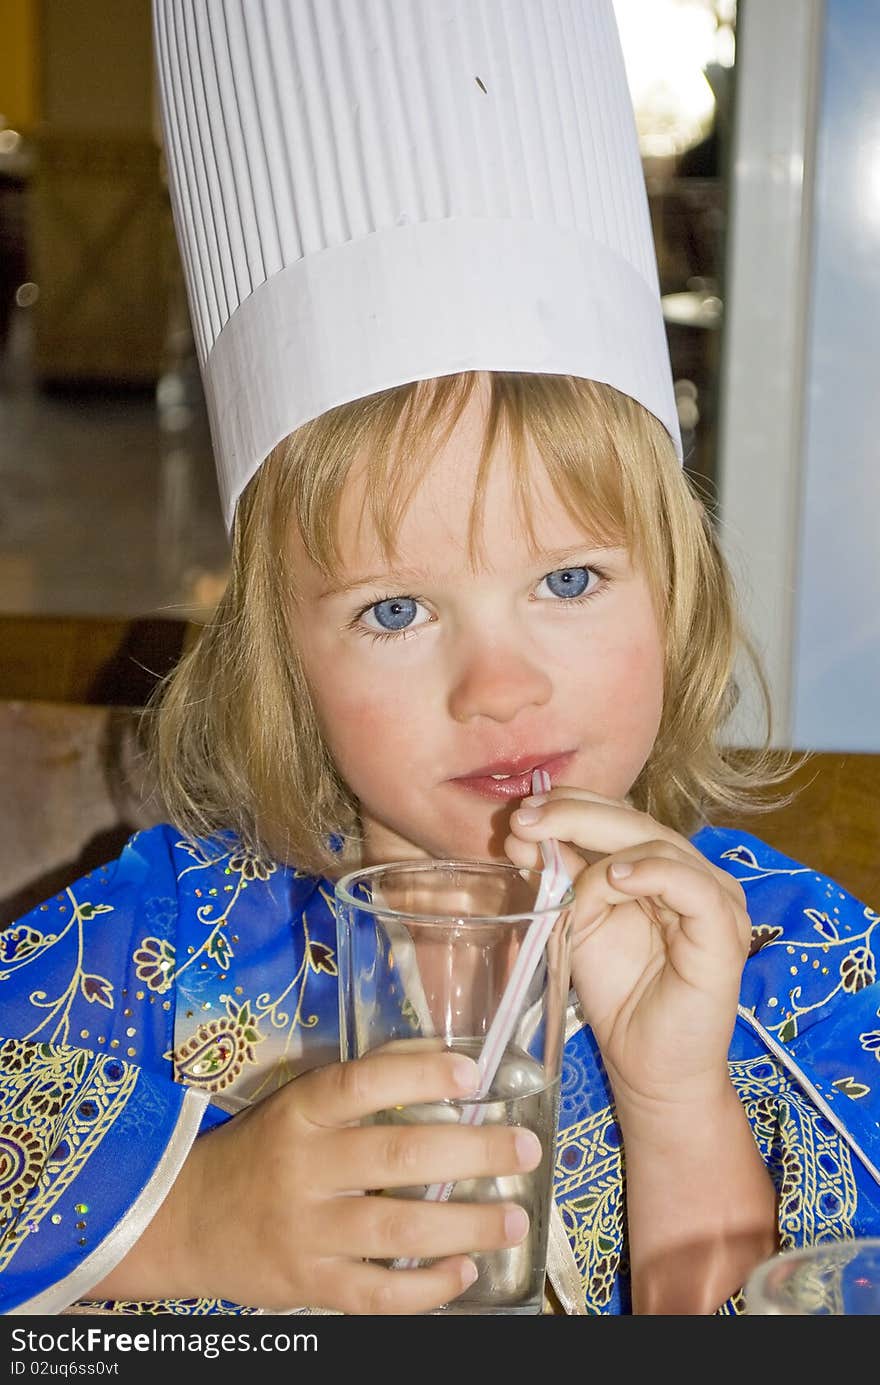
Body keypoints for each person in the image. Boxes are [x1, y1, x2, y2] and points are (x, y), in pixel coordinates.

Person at [2, 0, 879, 1318]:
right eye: (397, 610)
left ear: (678, 597)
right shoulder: (164, 936)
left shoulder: (794, 967)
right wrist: (195, 1217)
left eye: (571, 579)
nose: (501, 687)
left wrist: (676, 1101)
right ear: (281, 661)